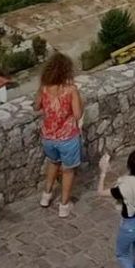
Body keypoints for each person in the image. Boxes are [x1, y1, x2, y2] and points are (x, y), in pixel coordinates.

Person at [36, 52, 84, 217]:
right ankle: (64, 205)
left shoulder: (44, 88)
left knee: (53, 162)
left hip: (48, 137)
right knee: (68, 170)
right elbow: (77, 114)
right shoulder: (71, 90)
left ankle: (46, 195)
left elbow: (36, 106)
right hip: (67, 137)